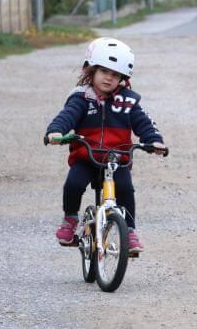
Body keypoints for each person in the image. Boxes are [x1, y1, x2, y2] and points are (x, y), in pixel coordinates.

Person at [45, 37, 166, 254]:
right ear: (91, 71)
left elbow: (144, 122)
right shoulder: (81, 98)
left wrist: (153, 140)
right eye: (104, 72)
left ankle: (129, 230)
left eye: (115, 75)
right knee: (73, 183)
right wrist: (56, 132)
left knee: (126, 189)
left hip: (116, 159)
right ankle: (70, 219)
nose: (109, 79)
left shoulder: (128, 101)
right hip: (86, 157)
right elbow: (66, 117)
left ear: (122, 78)